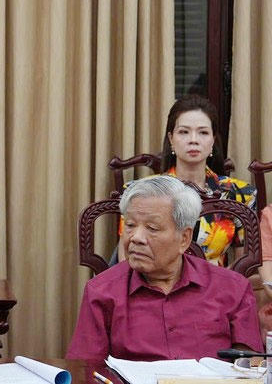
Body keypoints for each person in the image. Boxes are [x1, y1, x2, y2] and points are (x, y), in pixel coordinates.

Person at [67, 175, 262, 361]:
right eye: (130, 225)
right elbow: (85, 369)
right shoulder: (101, 291)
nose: (136, 238)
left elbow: (253, 365)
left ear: (184, 238)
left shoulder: (233, 288)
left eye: (152, 228)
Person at [118, 95, 257, 266]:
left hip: (216, 282)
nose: (193, 140)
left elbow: (244, 266)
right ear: (171, 139)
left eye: (203, 132)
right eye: (184, 132)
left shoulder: (241, 195)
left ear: (213, 140)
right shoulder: (139, 192)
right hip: (153, 281)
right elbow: (127, 260)